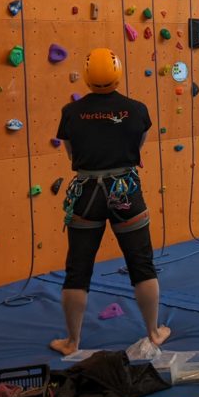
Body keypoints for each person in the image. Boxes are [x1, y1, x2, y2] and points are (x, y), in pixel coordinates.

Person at [51, 48, 169, 356]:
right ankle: (154, 332)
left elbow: (71, 154)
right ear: (117, 72)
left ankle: (72, 341)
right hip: (125, 190)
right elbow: (138, 147)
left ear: (88, 76)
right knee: (141, 262)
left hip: (86, 191)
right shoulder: (138, 109)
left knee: (78, 267)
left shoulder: (70, 112)